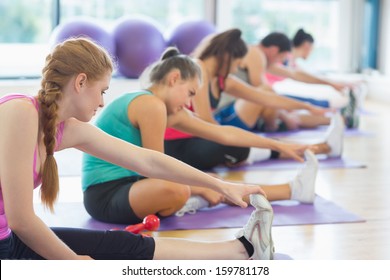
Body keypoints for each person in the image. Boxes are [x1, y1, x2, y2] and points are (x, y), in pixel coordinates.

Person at [0, 37, 277, 260]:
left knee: (123, 243)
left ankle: (242, 249)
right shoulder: (20, 112)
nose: (102, 102)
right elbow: (21, 219)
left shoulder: (67, 129)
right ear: (81, 82)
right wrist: (73, 264)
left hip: (9, 243)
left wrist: (220, 186)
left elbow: (148, 162)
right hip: (9, 245)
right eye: (103, 90)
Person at [82, 47, 321, 225]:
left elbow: (222, 133)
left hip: (130, 188)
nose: (189, 102)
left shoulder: (165, 109)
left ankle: (292, 190)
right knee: (182, 188)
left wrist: (277, 145)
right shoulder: (149, 104)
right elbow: (156, 170)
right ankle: (195, 199)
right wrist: (201, 188)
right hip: (106, 195)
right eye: (190, 93)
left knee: (199, 181)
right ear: (174, 78)